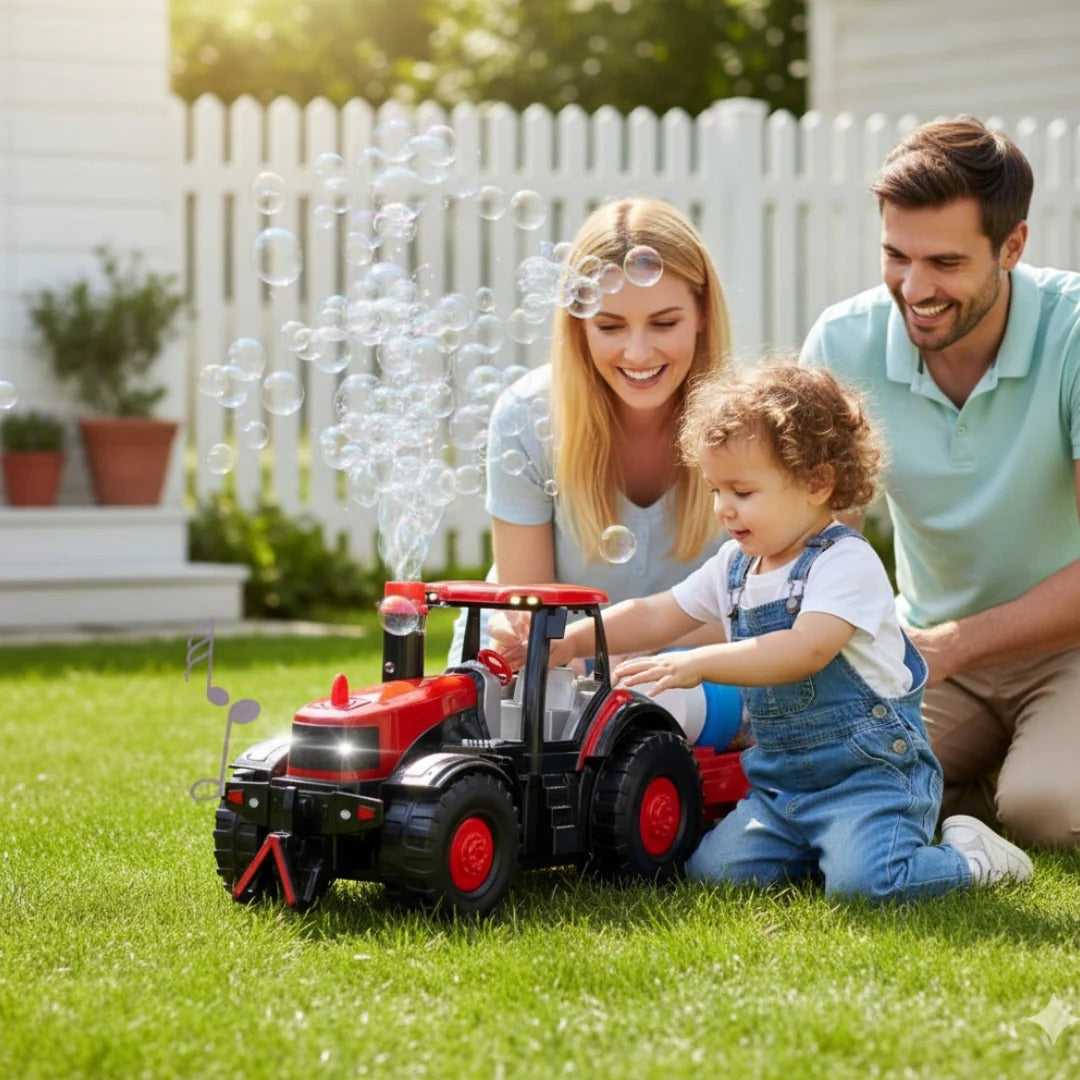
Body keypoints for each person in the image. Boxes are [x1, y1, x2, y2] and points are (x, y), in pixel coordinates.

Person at [549, 361, 1033, 900]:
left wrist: (698, 663)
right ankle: (821, 848)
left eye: (743, 491)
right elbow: (658, 612)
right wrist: (572, 639)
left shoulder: (844, 563)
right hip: (782, 787)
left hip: (869, 782)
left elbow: (804, 650)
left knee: (867, 887)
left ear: (816, 483)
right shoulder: (735, 565)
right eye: (715, 490)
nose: (724, 509)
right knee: (714, 873)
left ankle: (970, 858)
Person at [799, 116, 1080, 851]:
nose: (914, 288)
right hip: (925, 653)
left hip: (1064, 649)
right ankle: (977, 785)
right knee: (833, 785)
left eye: (946, 263)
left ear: (1012, 246)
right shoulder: (842, 341)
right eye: (896, 255)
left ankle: (1006, 784)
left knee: (1049, 810)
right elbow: (819, 542)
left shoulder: (1074, 333)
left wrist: (951, 643)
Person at [451, 196, 745, 751]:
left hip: (695, 676)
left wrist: (636, 654)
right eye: (610, 325)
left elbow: (755, 616)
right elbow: (533, 618)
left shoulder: (746, 426)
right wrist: (597, 653)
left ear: (703, 314)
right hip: (552, 677)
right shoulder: (528, 418)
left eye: (664, 322)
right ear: (578, 324)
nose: (638, 352)